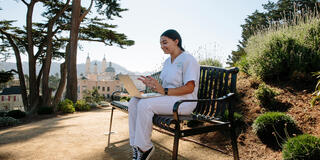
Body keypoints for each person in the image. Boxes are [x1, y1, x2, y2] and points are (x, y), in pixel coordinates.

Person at [128, 29, 200, 160]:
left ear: (176, 41)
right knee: (134, 101)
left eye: (165, 42)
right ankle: (136, 146)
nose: (162, 46)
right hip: (169, 99)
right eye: (160, 44)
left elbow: (190, 88)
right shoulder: (167, 62)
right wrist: (154, 86)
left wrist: (164, 91)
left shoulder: (188, 59)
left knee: (145, 105)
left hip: (184, 102)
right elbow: (165, 87)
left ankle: (145, 148)